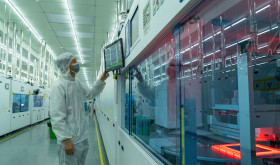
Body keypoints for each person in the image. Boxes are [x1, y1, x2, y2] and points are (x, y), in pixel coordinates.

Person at [50, 52, 109, 165]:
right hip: (70, 140)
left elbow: (91, 93)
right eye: (74, 62)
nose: (77, 64)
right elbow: (57, 116)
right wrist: (66, 140)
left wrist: (101, 80)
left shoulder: (77, 82)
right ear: (65, 66)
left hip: (82, 137)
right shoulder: (59, 86)